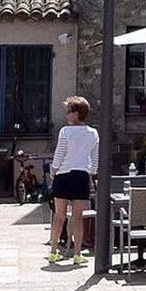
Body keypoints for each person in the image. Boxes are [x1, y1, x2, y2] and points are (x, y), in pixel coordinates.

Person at [47, 96, 98, 268]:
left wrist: (53, 171)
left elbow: (59, 154)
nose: (67, 115)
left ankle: (54, 252)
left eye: (69, 111)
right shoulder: (93, 133)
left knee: (59, 216)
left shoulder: (65, 132)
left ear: (76, 113)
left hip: (63, 175)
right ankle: (77, 254)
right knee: (78, 217)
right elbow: (95, 158)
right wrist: (91, 172)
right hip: (81, 176)